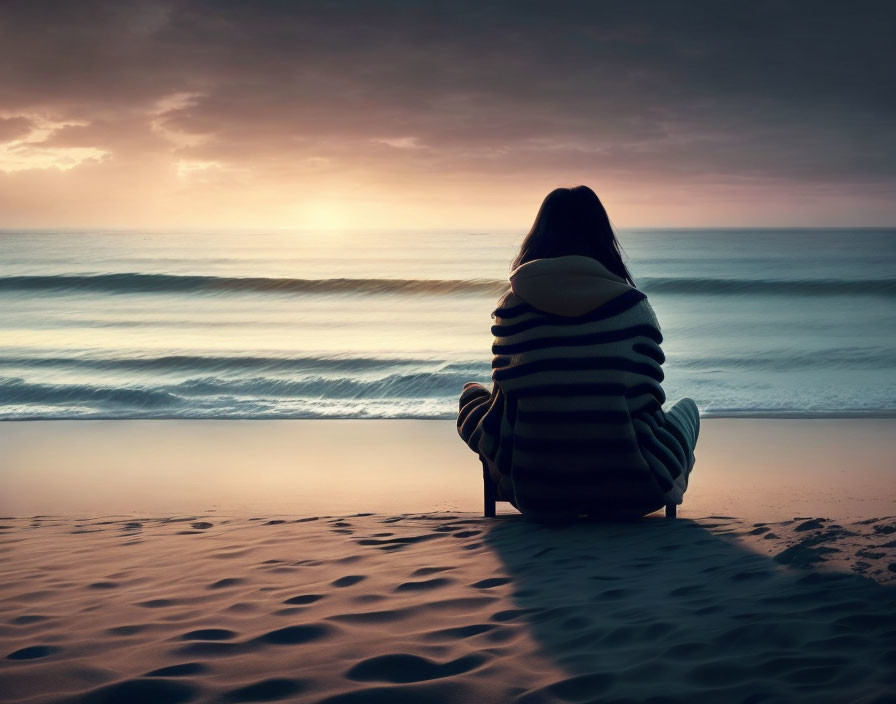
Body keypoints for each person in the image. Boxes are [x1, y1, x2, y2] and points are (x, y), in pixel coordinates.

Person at [457, 186, 699, 522]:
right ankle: (659, 489)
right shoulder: (634, 308)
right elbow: (648, 402)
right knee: (687, 410)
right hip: (635, 490)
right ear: (603, 239)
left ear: (537, 238)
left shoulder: (511, 308)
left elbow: (504, 403)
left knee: (474, 395)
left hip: (537, 492)